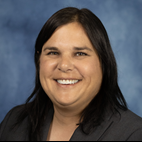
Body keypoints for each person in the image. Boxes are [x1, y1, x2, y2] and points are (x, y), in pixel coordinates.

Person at [0, 7, 142, 141]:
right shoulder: (14, 121)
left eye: (80, 53)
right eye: (53, 53)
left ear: (103, 62)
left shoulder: (133, 134)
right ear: (39, 60)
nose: (64, 65)